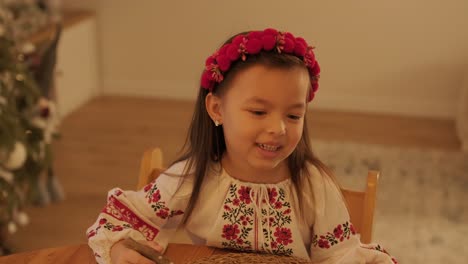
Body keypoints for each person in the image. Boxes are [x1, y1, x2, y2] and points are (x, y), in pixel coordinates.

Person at [87, 28, 397, 264]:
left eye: (293, 115)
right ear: (217, 109)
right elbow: (118, 221)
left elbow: (341, 258)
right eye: (259, 112)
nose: (277, 128)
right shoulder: (191, 178)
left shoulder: (314, 186)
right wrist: (117, 246)